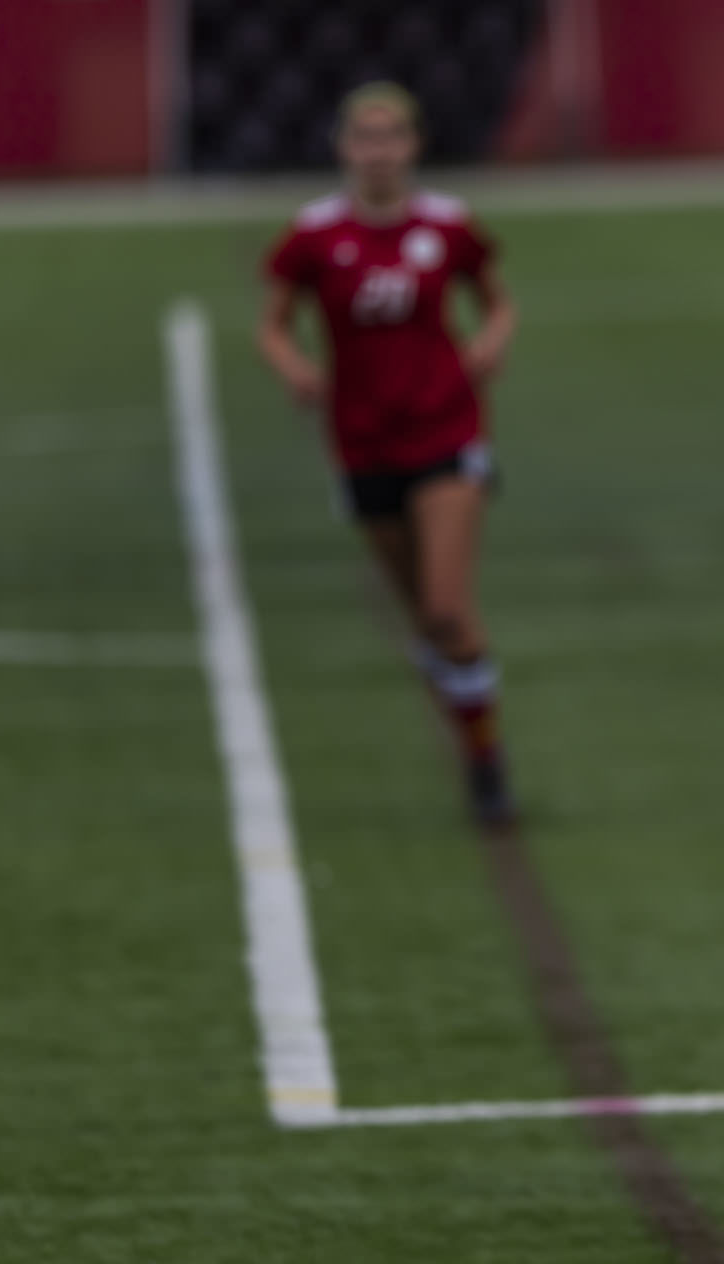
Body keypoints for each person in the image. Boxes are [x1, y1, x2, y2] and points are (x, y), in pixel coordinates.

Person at [256, 82, 519, 825]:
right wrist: (294, 367)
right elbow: (273, 325)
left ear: (414, 144)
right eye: (364, 138)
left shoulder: (449, 226)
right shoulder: (312, 237)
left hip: (447, 429)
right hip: (363, 440)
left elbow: (497, 300)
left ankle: (485, 762)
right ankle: (470, 719)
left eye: (392, 136)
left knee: (445, 607)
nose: (378, 151)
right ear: (344, 147)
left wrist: (490, 343)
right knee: (423, 625)